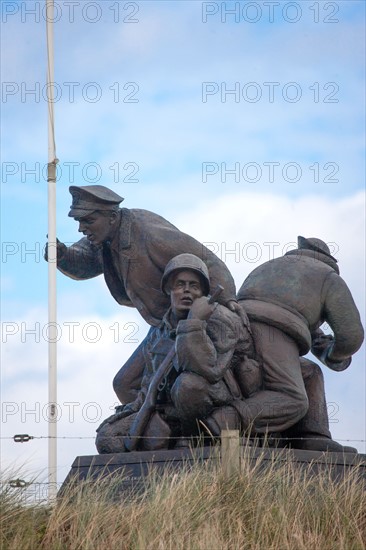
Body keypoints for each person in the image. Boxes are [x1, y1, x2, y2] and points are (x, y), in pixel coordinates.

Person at [45, 185, 241, 402]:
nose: (81, 229)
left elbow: (207, 260)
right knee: (124, 385)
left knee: (172, 384)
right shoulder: (104, 239)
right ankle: (153, 430)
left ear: (111, 217)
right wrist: (63, 256)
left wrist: (228, 299)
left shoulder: (149, 233)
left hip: (192, 321)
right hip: (163, 325)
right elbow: (85, 260)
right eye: (79, 222)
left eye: (88, 221)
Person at [95, 254, 257, 453]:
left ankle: (193, 437)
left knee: (188, 385)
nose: (187, 290)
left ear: (203, 294)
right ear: (169, 290)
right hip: (166, 410)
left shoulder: (222, 321)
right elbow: (148, 382)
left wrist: (193, 324)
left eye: (194, 286)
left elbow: (210, 370)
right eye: (180, 284)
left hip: (210, 401)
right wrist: (140, 410)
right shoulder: (158, 331)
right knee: (107, 440)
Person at [232, 236, 364, 450]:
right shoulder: (327, 277)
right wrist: (334, 354)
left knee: (310, 373)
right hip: (273, 332)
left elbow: (293, 317)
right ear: (329, 260)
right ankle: (226, 420)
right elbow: (351, 337)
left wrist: (319, 346)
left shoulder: (270, 266)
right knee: (292, 397)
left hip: (239, 327)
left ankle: (311, 435)